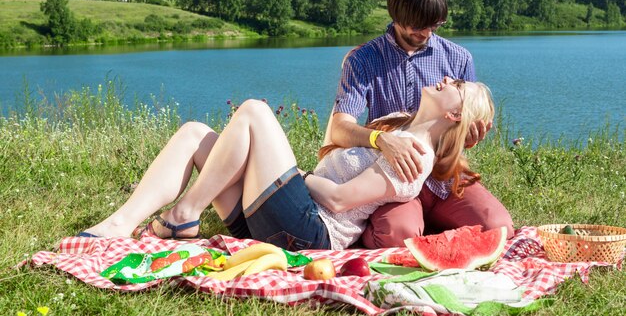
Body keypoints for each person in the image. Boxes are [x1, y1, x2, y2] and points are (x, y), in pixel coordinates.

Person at [80, 77, 494, 251]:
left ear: (455, 115)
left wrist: (297, 175)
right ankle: (119, 224)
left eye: (456, 86)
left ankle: (184, 214)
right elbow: (338, 131)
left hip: (308, 232)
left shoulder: (415, 156)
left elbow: (336, 200)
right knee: (194, 132)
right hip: (282, 219)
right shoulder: (399, 130)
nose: (445, 80)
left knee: (256, 112)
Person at [328, 0, 514, 247]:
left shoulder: (459, 58)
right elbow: (339, 129)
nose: (426, 33)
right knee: (397, 235)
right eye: (417, 25)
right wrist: (382, 140)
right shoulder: (363, 60)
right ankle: (385, 225)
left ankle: (428, 225)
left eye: (434, 25)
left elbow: (460, 125)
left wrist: (470, 136)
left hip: (443, 175)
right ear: (396, 15)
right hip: (392, 177)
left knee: (498, 228)